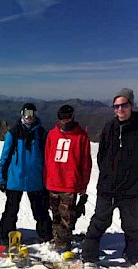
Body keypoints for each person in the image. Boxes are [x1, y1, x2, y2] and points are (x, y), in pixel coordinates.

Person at [82, 88, 138, 269]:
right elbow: (102, 155)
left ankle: (134, 256)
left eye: (123, 105)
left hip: (131, 189)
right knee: (99, 221)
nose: (119, 109)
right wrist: (107, 175)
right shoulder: (110, 127)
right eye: (116, 106)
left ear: (131, 105)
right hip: (108, 187)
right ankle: (88, 256)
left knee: (131, 225)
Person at [0, 103, 53, 244]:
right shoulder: (14, 133)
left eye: (32, 113)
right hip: (15, 178)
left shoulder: (41, 133)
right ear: (22, 114)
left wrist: (49, 178)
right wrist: (1, 177)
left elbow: (48, 158)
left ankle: (46, 234)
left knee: (40, 210)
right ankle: (6, 234)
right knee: (11, 210)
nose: (29, 117)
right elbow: (5, 156)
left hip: (36, 179)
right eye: (26, 113)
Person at [43, 105, 92, 251]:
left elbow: (85, 162)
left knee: (67, 217)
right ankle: (58, 239)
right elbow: (47, 158)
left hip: (69, 183)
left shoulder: (81, 136)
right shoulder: (52, 134)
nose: (64, 121)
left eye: (67, 117)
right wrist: (46, 179)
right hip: (53, 182)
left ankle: (63, 244)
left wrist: (83, 184)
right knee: (56, 214)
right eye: (61, 118)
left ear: (73, 116)